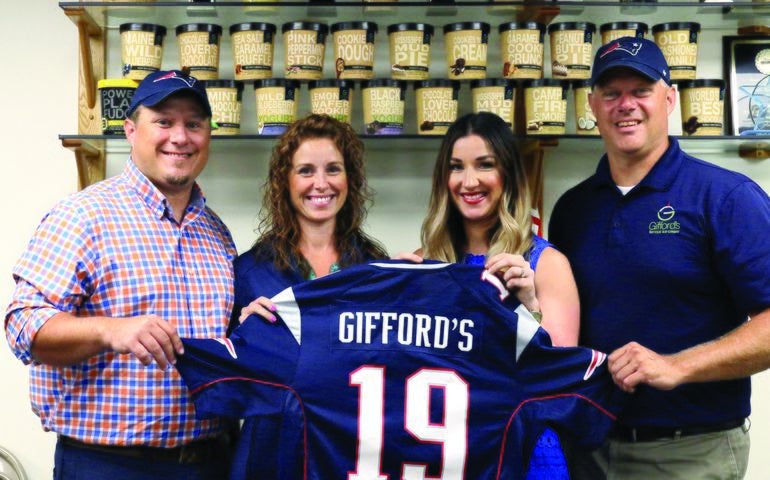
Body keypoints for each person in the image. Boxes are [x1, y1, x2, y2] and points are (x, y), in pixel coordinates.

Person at [549, 36, 770, 480]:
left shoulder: (725, 198)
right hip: (587, 446)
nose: (625, 105)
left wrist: (677, 366)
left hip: (689, 451)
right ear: (592, 104)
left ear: (669, 98)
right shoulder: (573, 209)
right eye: (611, 93)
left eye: (641, 91)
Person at [4, 69, 236, 479]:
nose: (180, 137)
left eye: (194, 124)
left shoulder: (217, 233)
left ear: (208, 135)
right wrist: (110, 330)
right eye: (163, 121)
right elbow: (23, 326)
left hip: (208, 462)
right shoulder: (82, 216)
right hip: (107, 466)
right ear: (131, 130)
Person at [404, 112, 580, 478]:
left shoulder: (546, 264)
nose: (469, 181)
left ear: (509, 176)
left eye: (484, 165)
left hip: (525, 452)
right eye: (456, 167)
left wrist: (530, 306)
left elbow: (559, 381)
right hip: (447, 453)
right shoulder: (422, 263)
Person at [227, 113, 389, 479]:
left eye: (333, 169)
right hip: (271, 459)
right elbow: (229, 386)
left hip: (351, 455)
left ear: (351, 179)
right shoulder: (249, 274)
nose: (321, 183)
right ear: (284, 181)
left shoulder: (376, 270)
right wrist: (242, 336)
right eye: (305, 171)